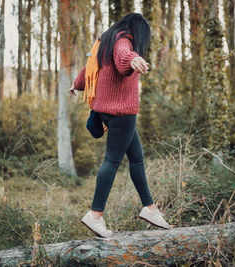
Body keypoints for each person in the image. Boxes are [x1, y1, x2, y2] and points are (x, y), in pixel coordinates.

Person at [69, 13, 171, 238]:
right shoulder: (123, 40)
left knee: (136, 157)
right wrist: (133, 59)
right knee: (112, 160)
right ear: (137, 31)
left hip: (105, 110)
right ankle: (95, 215)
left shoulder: (104, 41)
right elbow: (124, 55)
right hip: (122, 111)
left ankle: (149, 208)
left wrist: (76, 85)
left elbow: (89, 69)